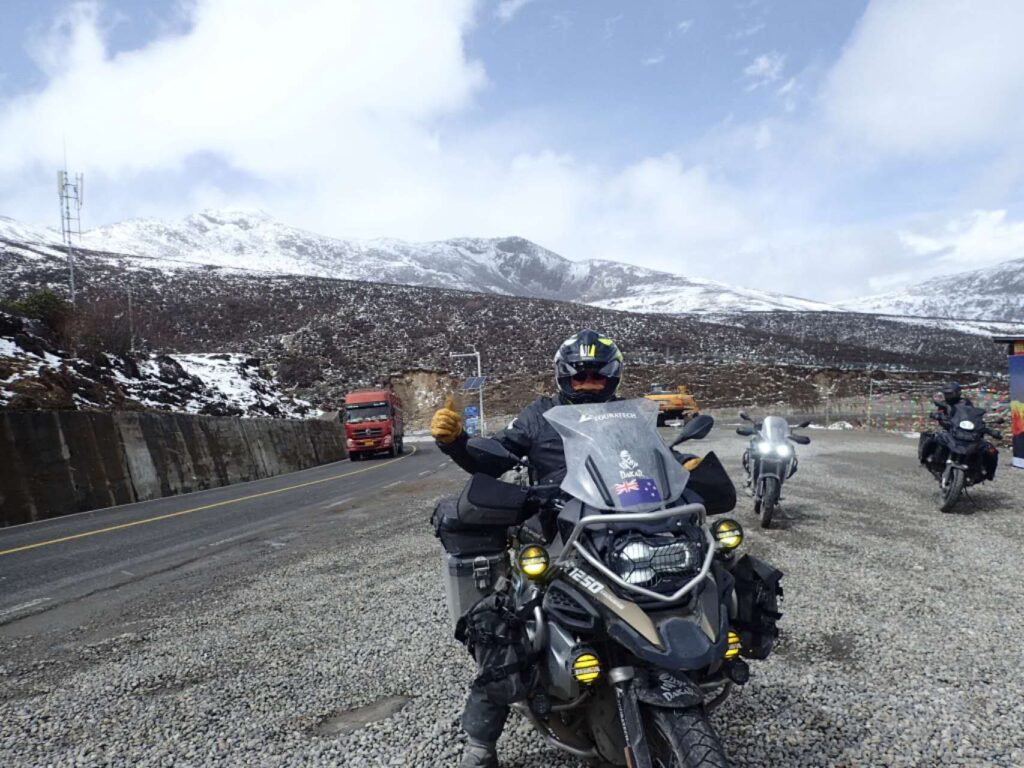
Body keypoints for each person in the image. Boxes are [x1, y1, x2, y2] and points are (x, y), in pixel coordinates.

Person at [431, 329, 623, 768]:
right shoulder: (539, 416)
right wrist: (457, 443)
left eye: (596, 377)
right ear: (564, 378)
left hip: (618, 527)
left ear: (612, 378)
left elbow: (650, 459)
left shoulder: (626, 413)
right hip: (556, 534)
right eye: (579, 377)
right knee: (511, 625)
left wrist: (680, 467)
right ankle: (481, 743)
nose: (588, 384)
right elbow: (496, 456)